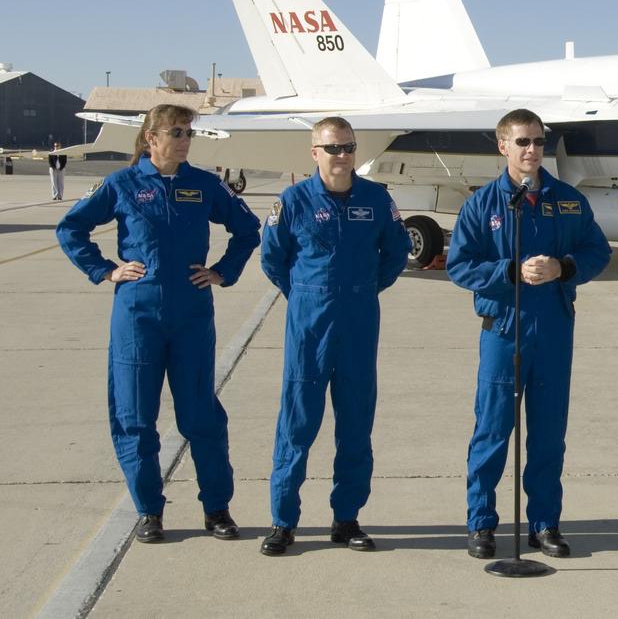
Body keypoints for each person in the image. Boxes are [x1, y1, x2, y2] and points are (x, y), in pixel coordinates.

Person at [56, 104, 260, 544]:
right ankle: (150, 511)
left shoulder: (204, 184)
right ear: (151, 139)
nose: (185, 139)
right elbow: (71, 229)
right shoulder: (122, 184)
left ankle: (217, 508)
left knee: (201, 415)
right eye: (176, 132)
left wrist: (222, 271)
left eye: (189, 132)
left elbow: (248, 229)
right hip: (137, 316)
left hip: (191, 315)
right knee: (134, 416)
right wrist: (106, 270)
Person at [448, 108, 611, 560]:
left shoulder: (568, 200)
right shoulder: (484, 204)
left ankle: (545, 523)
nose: (532, 150)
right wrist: (509, 271)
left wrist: (565, 267)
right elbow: (460, 265)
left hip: (554, 328)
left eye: (538, 141)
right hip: (504, 328)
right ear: (503, 146)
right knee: (493, 430)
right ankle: (481, 523)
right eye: (522, 142)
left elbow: (598, 250)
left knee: (548, 433)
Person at [258, 116, 411, 556]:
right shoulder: (293, 200)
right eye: (332, 148)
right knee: (297, 423)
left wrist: (363, 290)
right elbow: (273, 260)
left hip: (360, 321)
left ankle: (346, 519)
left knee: (356, 424)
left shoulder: (378, 199)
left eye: (348, 147)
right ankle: (284, 521)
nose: (342, 156)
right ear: (314, 153)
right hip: (309, 324)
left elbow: (396, 253)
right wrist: (307, 295)